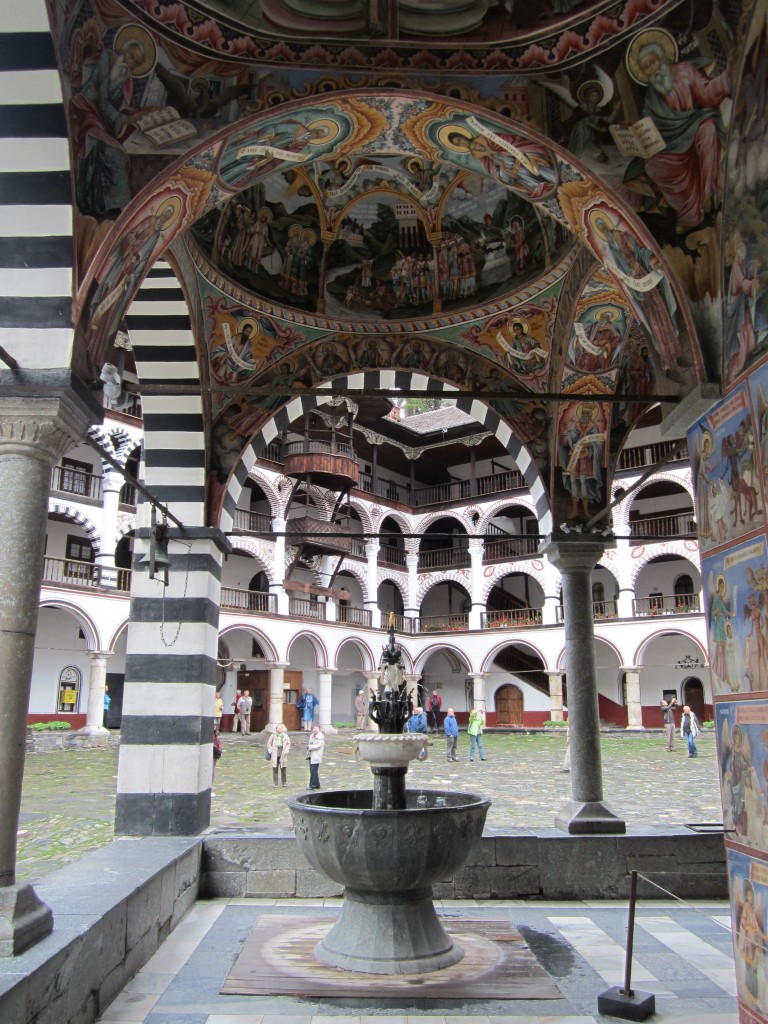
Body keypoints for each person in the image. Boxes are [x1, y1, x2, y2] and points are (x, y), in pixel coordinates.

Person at [267, 723, 291, 787]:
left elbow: (288, 744)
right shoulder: (273, 735)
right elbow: (269, 743)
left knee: (283, 769)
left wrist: (286, 750)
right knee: (275, 769)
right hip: (275, 754)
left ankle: (284, 782)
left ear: (282, 729)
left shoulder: (285, 736)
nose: (279, 729)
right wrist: (270, 750)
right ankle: (275, 783)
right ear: (276, 729)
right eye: (278, 728)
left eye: (280, 728)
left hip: (283, 755)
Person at [306, 725, 324, 789]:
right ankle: (317, 785)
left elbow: (319, 746)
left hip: (316, 756)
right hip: (311, 755)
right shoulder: (311, 736)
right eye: (314, 728)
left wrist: (310, 747)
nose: (315, 730)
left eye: (316, 728)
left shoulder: (320, 737)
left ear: (319, 729)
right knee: (312, 771)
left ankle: (312, 785)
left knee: (313, 771)